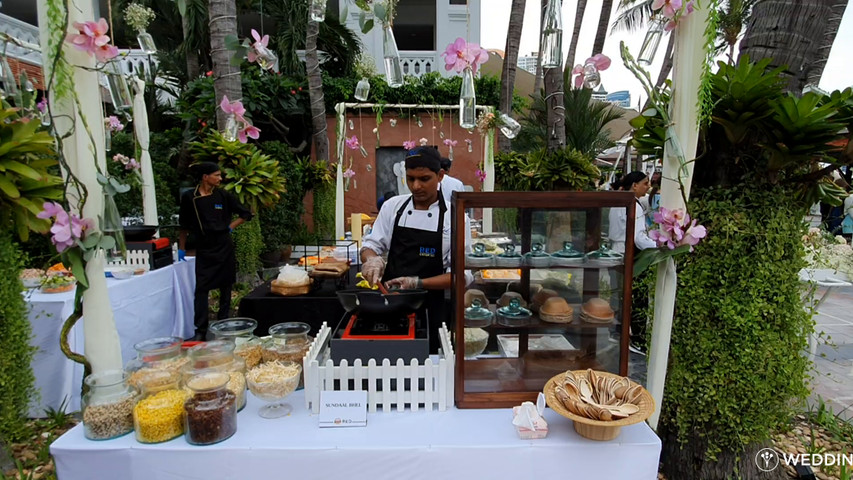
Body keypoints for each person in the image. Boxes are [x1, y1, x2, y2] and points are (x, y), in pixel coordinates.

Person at [360, 146, 471, 352]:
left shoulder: (454, 218)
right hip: (391, 305)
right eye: (410, 179)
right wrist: (371, 260)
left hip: (432, 308)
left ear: (440, 176)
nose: (416, 186)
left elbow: (462, 276)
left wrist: (417, 283)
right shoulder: (393, 207)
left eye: (424, 179)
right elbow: (370, 246)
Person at [179, 162, 252, 340]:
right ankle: (200, 330)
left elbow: (246, 214)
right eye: (217, 175)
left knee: (226, 286)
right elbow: (183, 226)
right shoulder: (190, 197)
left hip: (224, 246)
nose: (220, 178)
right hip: (204, 248)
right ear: (205, 177)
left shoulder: (223, 196)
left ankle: (223, 323)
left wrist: (229, 228)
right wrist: (182, 248)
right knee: (202, 290)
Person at [607, 171, 656, 355]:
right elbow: (638, 238)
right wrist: (660, 245)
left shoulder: (617, 202)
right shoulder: (632, 205)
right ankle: (636, 338)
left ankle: (617, 330)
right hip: (629, 254)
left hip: (615, 253)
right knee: (636, 298)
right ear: (634, 185)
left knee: (618, 295)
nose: (647, 187)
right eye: (645, 183)